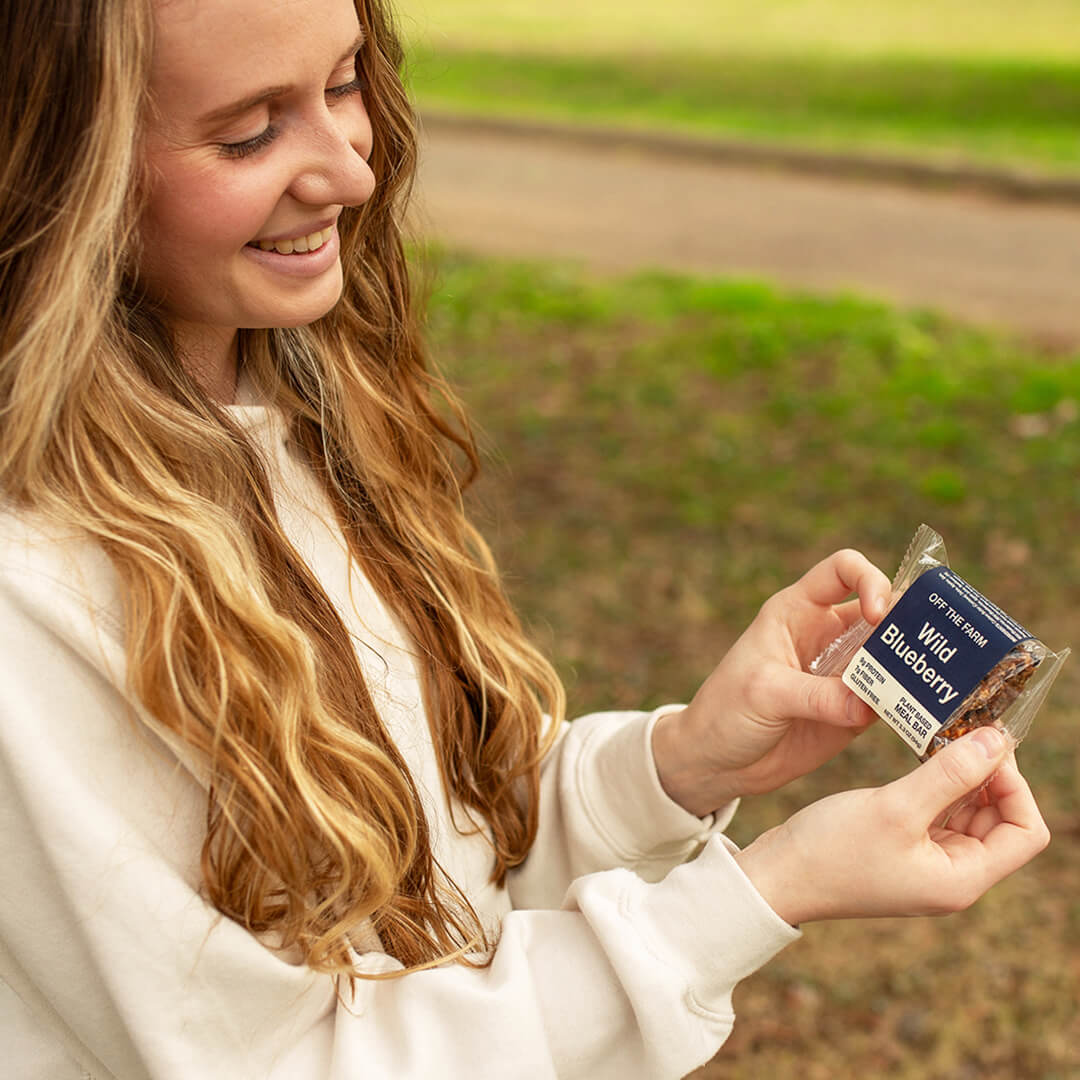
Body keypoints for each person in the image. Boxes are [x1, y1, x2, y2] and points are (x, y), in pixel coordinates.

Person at [0, 1, 1050, 1077]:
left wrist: (676, 768)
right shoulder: (31, 598)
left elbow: (433, 872)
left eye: (346, 82)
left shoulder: (304, 404)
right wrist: (760, 894)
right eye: (250, 133)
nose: (353, 174)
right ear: (57, 163)